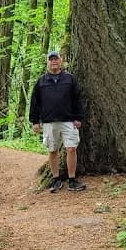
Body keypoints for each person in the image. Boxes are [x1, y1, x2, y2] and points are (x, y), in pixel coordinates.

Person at [29, 50, 86, 192]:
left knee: (71, 148)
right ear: (47, 62)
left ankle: (72, 180)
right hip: (49, 121)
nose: (53, 62)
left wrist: (78, 117)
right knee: (52, 150)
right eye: (51, 60)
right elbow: (35, 102)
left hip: (68, 120)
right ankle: (55, 179)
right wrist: (35, 121)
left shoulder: (69, 79)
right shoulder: (41, 81)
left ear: (61, 61)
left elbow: (77, 99)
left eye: (56, 59)